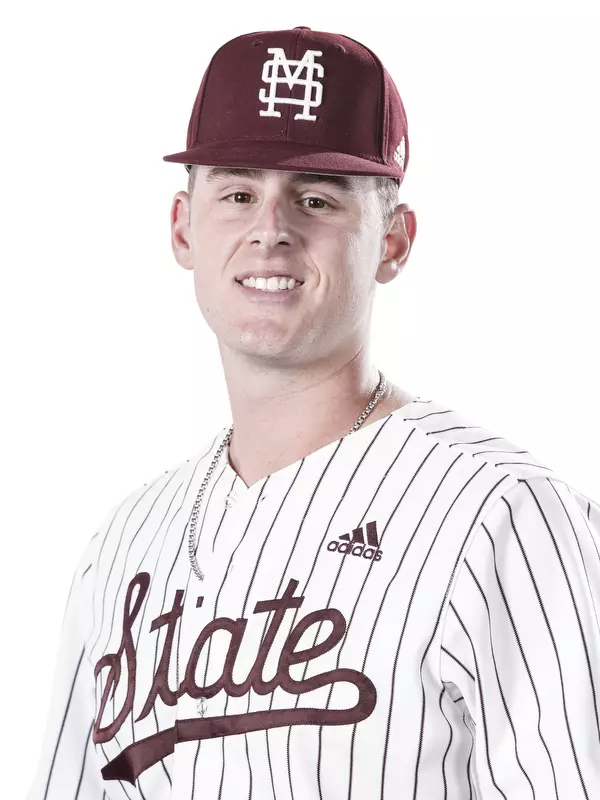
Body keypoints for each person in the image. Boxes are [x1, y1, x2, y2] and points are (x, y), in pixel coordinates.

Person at [28, 25, 600, 800]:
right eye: (238, 194)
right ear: (182, 227)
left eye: (317, 199)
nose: (271, 229)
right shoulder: (124, 545)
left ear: (393, 241)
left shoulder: (505, 517)